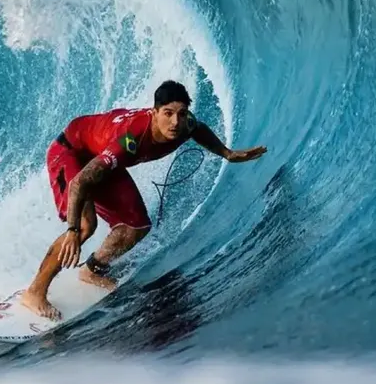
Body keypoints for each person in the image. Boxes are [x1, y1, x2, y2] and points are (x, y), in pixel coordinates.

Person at [21, 80, 267, 319]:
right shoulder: (130, 141)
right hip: (71, 152)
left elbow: (199, 128)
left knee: (136, 226)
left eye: (181, 114)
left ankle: (92, 270)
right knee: (86, 226)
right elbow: (80, 182)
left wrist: (227, 153)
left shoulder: (185, 124)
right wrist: (73, 230)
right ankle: (34, 293)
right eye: (167, 113)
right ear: (154, 112)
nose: (175, 122)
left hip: (99, 155)